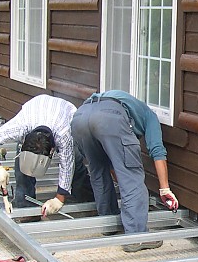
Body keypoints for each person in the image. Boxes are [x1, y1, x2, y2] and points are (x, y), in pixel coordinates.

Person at [71, 90, 179, 252]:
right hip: (109, 118)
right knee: (132, 179)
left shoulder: (128, 103)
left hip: (80, 116)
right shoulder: (150, 116)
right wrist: (165, 189)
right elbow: (157, 151)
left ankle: (108, 223)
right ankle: (136, 237)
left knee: (98, 172)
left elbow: (111, 163)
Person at [0, 94, 93, 217]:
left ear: (52, 151)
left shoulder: (64, 134)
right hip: (35, 109)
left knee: (75, 164)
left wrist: (59, 198)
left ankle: (87, 200)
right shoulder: (21, 126)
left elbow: (67, 166)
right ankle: (25, 208)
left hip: (66, 114)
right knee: (22, 169)